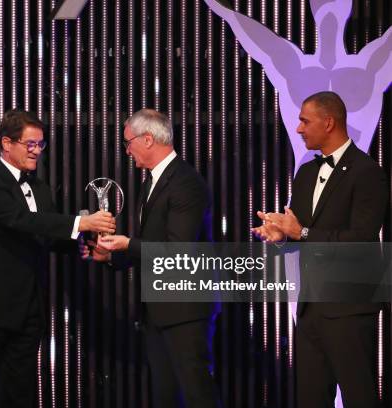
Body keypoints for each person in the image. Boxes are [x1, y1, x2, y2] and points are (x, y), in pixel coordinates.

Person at [0, 109, 116, 407]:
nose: (37, 151)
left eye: (41, 144)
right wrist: (82, 224)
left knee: (19, 392)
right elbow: (22, 221)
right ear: (6, 143)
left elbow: (44, 235)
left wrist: (80, 246)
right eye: (30, 144)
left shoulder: (40, 188)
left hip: (29, 309)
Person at [252, 91, 388, 408]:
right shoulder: (306, 173)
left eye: (304, 121)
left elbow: (361, 239)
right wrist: (280, 235)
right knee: (311, 397)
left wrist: (301, 231)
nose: (299, 128)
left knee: (359, 396)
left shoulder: (367, 172)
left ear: (328, 123)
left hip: (349, 307)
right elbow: (300, 235)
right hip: (311, 306)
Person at [84, 109, 221, 408]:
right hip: (159, 310)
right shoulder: (151, 182)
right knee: (166, 396)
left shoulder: (185, 182)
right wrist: (110, 256)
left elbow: (178, 251)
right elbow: (151, 248)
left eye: (128, 142)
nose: (126, 150)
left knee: (198, 394)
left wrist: (127, 244)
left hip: (185, 309)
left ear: (147, 139)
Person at [205, 0, 392, 169]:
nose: (329, 8)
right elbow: (249, 30)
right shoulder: (292, 65)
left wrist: (225, 11)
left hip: (354, 183)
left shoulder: (371, 66)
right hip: (306, 186)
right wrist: (222, 9)